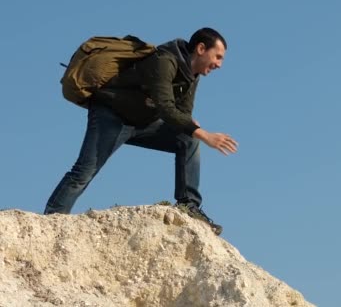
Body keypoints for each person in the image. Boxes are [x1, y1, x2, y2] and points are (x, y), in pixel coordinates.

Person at [44, 27, 238, 235]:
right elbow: (165, 106)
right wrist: (205, 134)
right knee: (84, 171)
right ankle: (51, 221)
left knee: (187, 138)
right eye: (217, 57)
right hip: (112, 116)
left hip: (142, 122)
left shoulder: (192, 74)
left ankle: (189, 205)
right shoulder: (164, 60)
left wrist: (191, 126)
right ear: (201, 48)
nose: (219, 64)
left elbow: (182, 112)